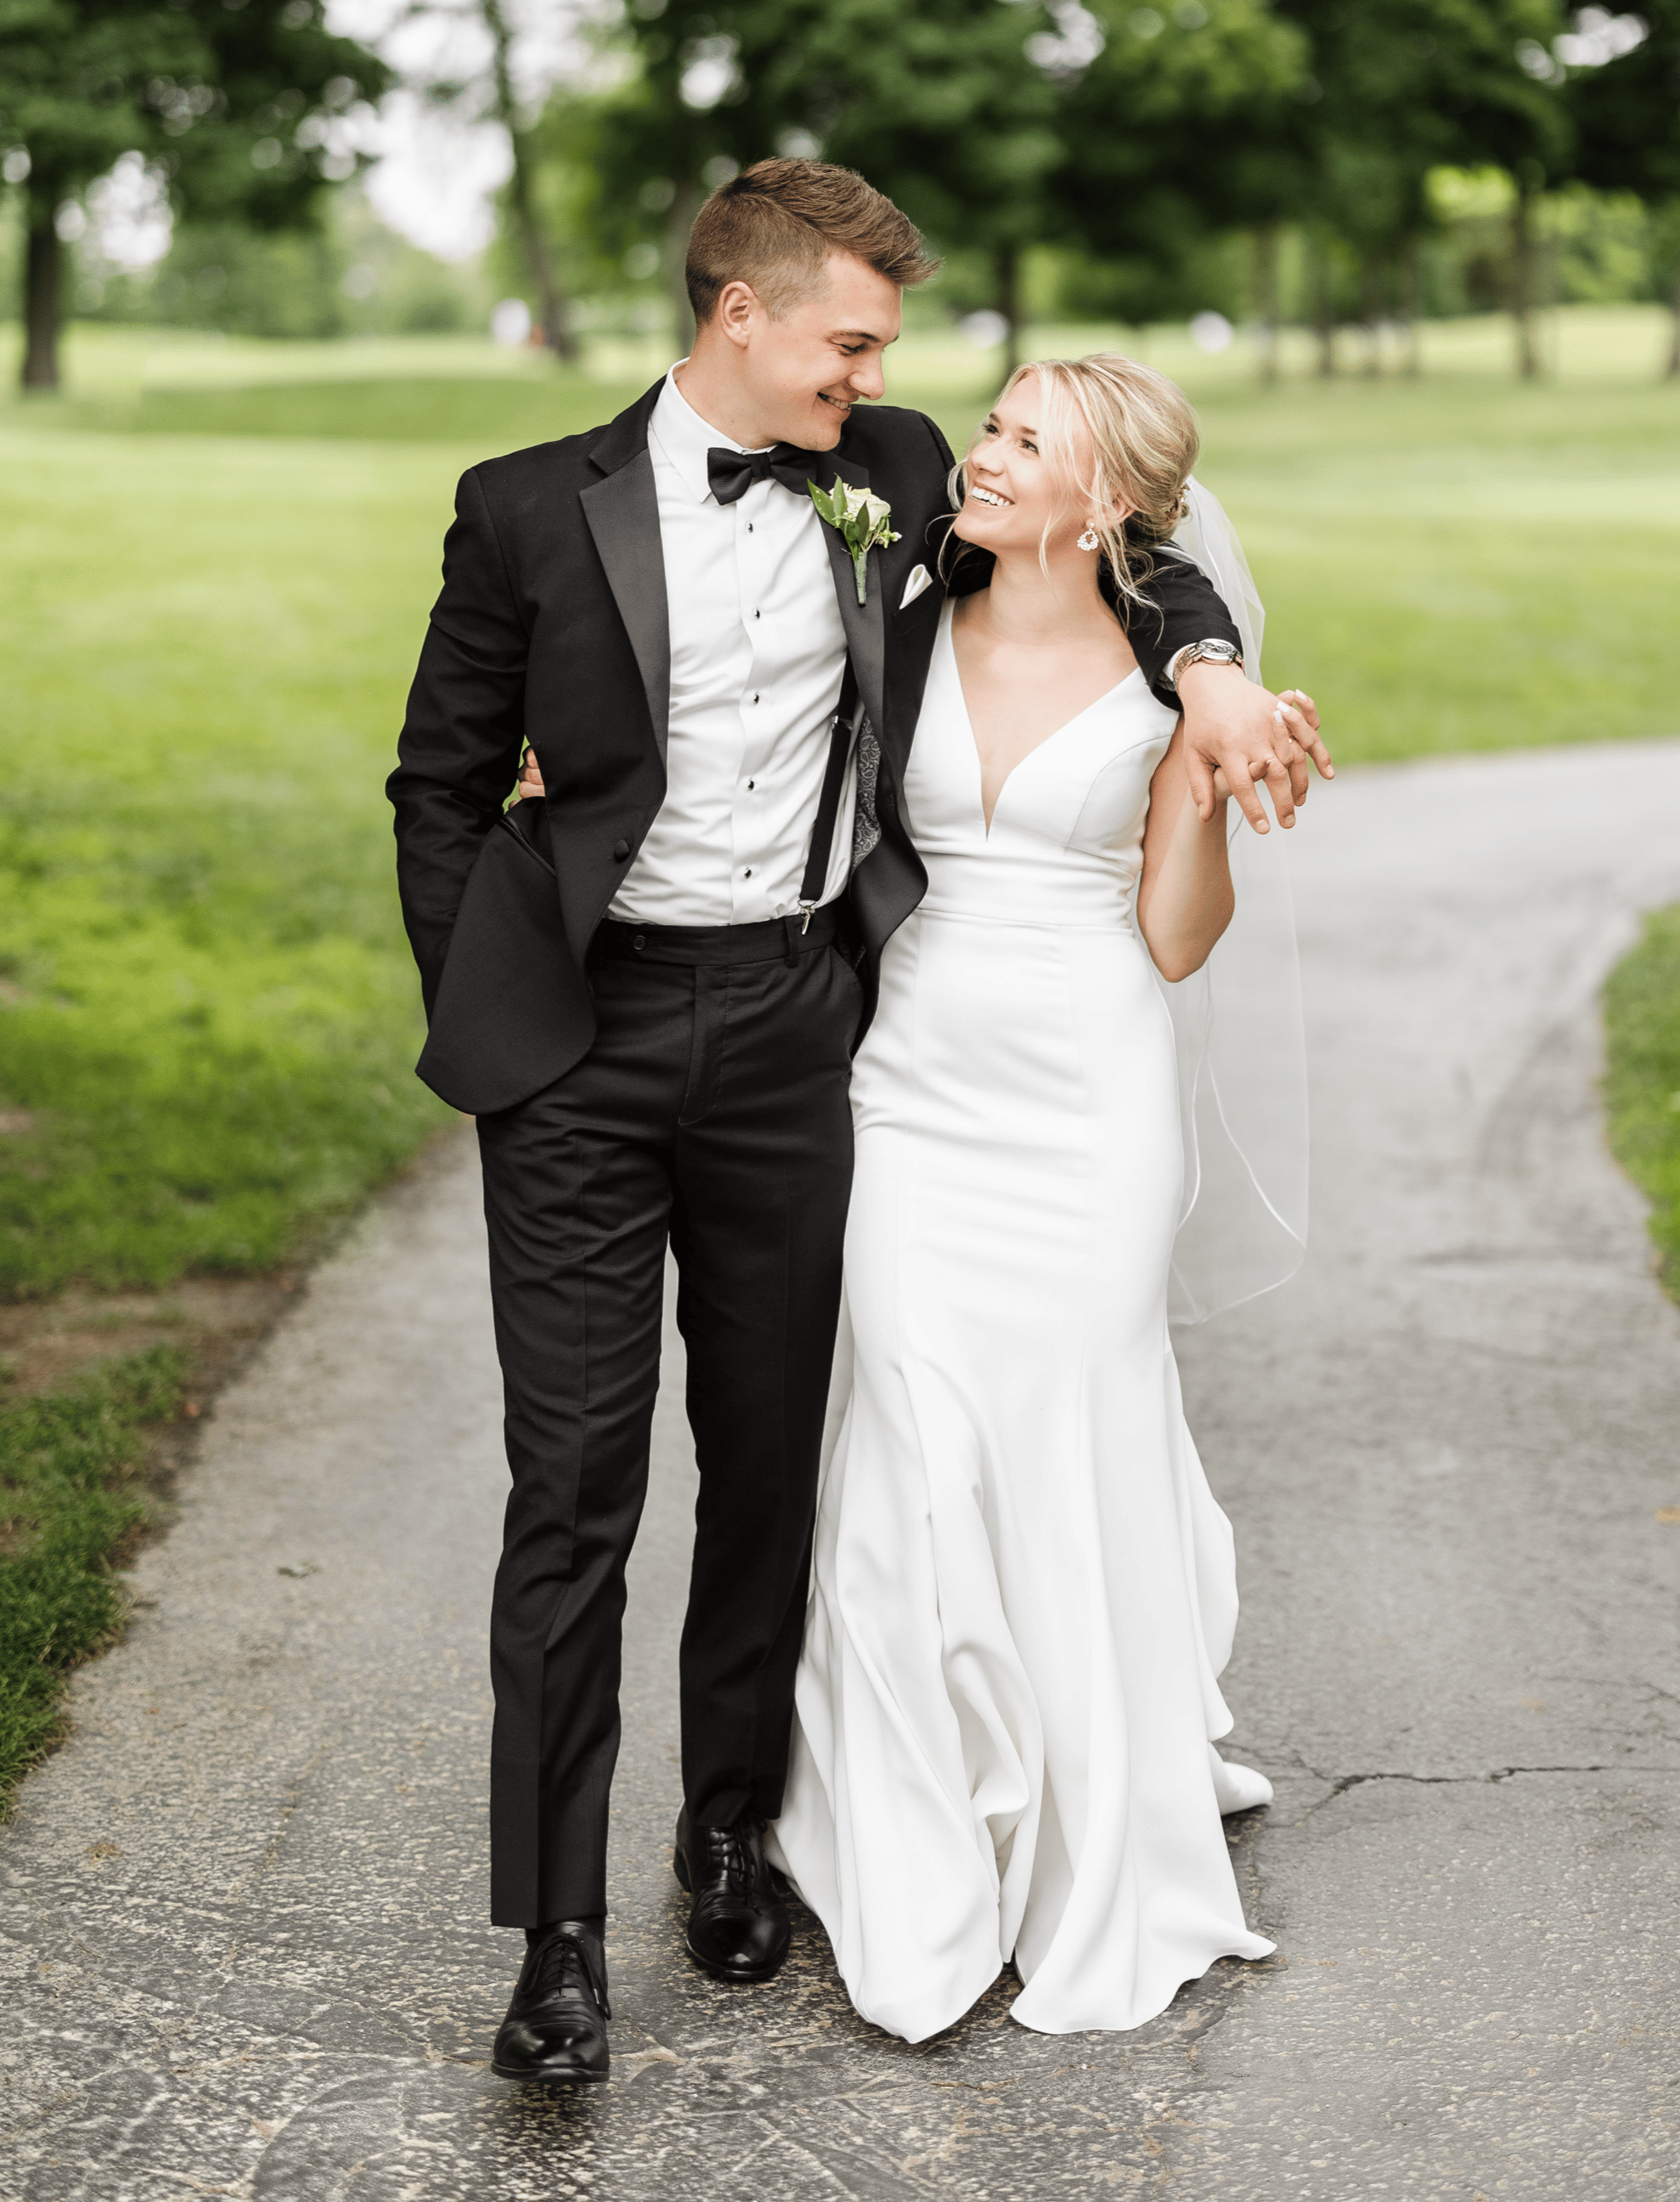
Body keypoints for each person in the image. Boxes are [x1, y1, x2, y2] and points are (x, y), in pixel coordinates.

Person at [387, 157, 1326, 2086]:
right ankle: (552, 1936)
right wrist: (493, 1002)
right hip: (579, 1043)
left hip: (805, 1030)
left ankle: (727, 1827)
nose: (881, 372)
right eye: (851, 337)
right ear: (740, 314)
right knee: (570, 1489)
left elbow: (1146, 561)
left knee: (768, 1461)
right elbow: (436, 781)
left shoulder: (893, 470)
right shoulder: (522, 514)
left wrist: (1215, 677)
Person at [766, 353, 1311, 2041]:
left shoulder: (1170, 678)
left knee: (1070, 1433)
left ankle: (1088, 1807)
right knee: (916, 1434)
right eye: (986, 425)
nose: (977, 450)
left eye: (1021, 439)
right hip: (911, 1093)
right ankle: (919, 1823)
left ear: (1106, 504)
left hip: (1088, 1105)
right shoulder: (902, 612)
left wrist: (1209, 779)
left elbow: (1169, 938)